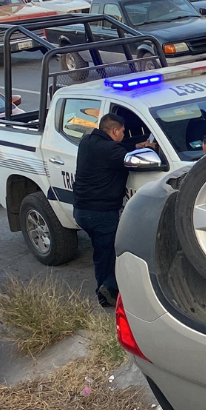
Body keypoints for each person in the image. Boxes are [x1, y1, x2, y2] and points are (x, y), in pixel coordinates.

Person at [72, 113, 155, 308]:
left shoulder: (88, 141)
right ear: (114, 131)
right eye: (122, 133)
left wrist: (136, 146)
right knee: (111, 254)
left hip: (82, 210)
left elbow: (118, 150)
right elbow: (122, 156)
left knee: (102, 253)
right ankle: (107, 293)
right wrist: (146, 149)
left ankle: (107, 289)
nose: (124, 136)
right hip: (101, 212)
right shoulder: (111, 150)